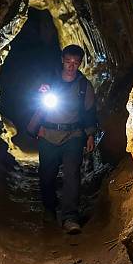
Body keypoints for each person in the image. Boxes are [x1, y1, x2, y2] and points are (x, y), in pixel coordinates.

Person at [27, 44, 97, 234]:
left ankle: (70, 217)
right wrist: (39, 122)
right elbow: (34, 102)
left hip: (73, 135)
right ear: (62, 61)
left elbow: (89, 113)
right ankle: (49, 208)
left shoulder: (84, 86)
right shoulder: (49, 81)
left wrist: (90, 134)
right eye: (68, 62)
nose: (71, 66)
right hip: (48, 134)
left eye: (76, 62)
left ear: (81, 63)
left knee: (72, 175)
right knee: (47, 174)